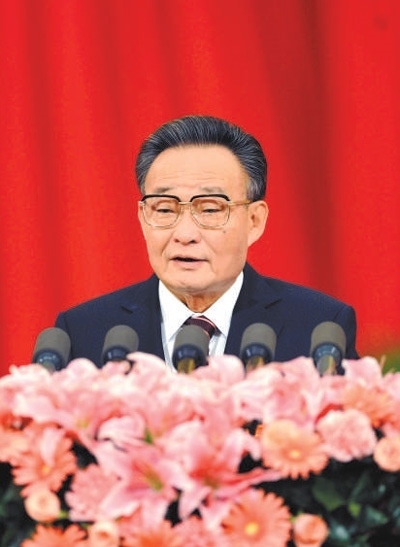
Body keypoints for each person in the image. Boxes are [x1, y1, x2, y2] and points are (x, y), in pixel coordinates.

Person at [55, 114, 358, 369]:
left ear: (254, 221)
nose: (185, 234)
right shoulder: (83, 333)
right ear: (143, 218)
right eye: (165, 209)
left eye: (210, 209)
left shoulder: (319, 329)